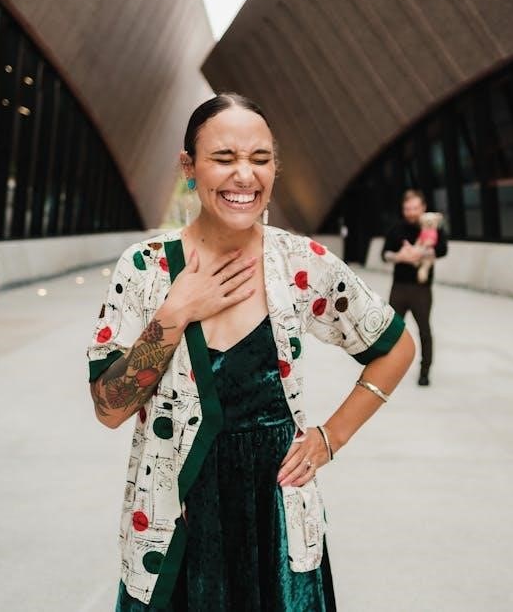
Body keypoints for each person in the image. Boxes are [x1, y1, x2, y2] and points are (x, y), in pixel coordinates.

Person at [87, 94, 415, 611]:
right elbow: (109, 408)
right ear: (188, 166)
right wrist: (176, 312)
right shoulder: (145, 268)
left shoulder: (300, 262)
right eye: (224, 158)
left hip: (276, 520)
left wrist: (331, 438)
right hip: (174, 521)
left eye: (260, 159)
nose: (245, 175)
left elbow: (395, 347)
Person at [382, 190, 449, 386]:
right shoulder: (396, 229)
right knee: (391, 332)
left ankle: (425, 372)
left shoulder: (434, 227)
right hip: (399, 287)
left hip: (421, 289)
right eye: (407, 208)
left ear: (423, 207)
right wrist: (400, 256)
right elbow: (385, 254)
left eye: (415, 208)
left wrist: (420, 253)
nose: (411, 212)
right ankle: (386, 370)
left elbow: (442, 249)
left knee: (424, 331)